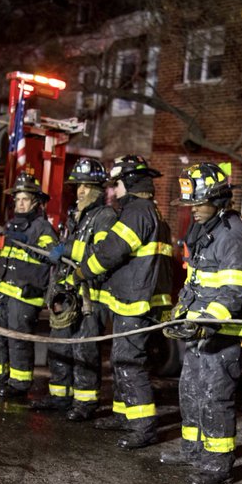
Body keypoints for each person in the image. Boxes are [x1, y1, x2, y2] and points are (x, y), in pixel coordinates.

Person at [159, 163, 242, 484]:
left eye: (199, 203)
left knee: (216, 397)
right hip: (199, 332)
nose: (193, 209)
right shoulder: (205, 232)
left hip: (223, 335)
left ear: (217, 200)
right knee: (190, 391)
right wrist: (181, 310)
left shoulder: (234, 237)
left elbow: (234, 292)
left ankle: (217, 464)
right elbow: (196, 281)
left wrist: (206, 321)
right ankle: (193, 450)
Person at [74, 155, 174, 450]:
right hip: (138, 298)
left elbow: (111, 251)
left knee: (129, 362)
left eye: (116, 184)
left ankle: (143, 427)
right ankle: (123, 414)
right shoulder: (151, 211)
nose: (113, 190)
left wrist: (83, 271)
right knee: (122, 359)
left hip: (135, 301)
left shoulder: (137, 212)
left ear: (128, 183)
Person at [33, 158, 117, 419]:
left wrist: (67, 249)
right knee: (59, 346)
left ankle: (85, 402)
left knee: (84, 350)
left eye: (86, 186)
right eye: (78, 186)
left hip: (91, 296)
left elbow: (102, 253)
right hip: (69, 293)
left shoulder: (105, 216)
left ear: (98, 190)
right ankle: (60, 396)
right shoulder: (76, 217)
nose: (80, 191)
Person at [0, 173, 57, 398]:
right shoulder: (11, 224)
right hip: (1, 290)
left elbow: (50, 255)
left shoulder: (43, 228)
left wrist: (24, 241)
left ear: (35, 202)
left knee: (17, 339)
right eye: (18, 199)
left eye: (25, 199)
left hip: (24, 295)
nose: (20, 204)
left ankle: (19, 384)